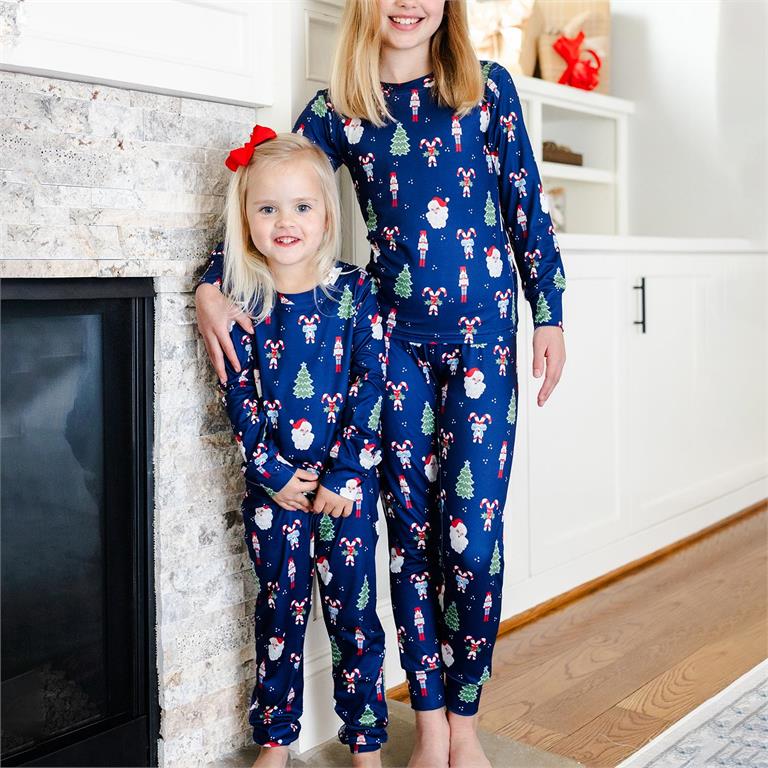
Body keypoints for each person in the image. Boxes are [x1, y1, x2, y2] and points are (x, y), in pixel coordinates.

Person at [197, 2, 566, 766]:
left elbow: (527, 207)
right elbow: (266, 194)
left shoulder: (487, 88)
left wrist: (550, 313)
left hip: (484, 344)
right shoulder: (340, 109)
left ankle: (466, 717)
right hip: (389, 346)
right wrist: (210, 282)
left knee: (472, 535)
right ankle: (428, 720)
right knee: (410, 535)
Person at [211, 126, 388, 768]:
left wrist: (345, 475)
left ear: (326, 214)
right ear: (246, 218)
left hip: (346, 492)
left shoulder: (354, 291)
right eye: (267, 208)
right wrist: (270, 473)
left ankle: (365, 743)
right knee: (279, 618)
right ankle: (277, 743)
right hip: (274, 493)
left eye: (301, 206)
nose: (285, 221)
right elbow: (239, 392)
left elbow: (373, 384)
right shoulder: (243, 298)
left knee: (354, 620)